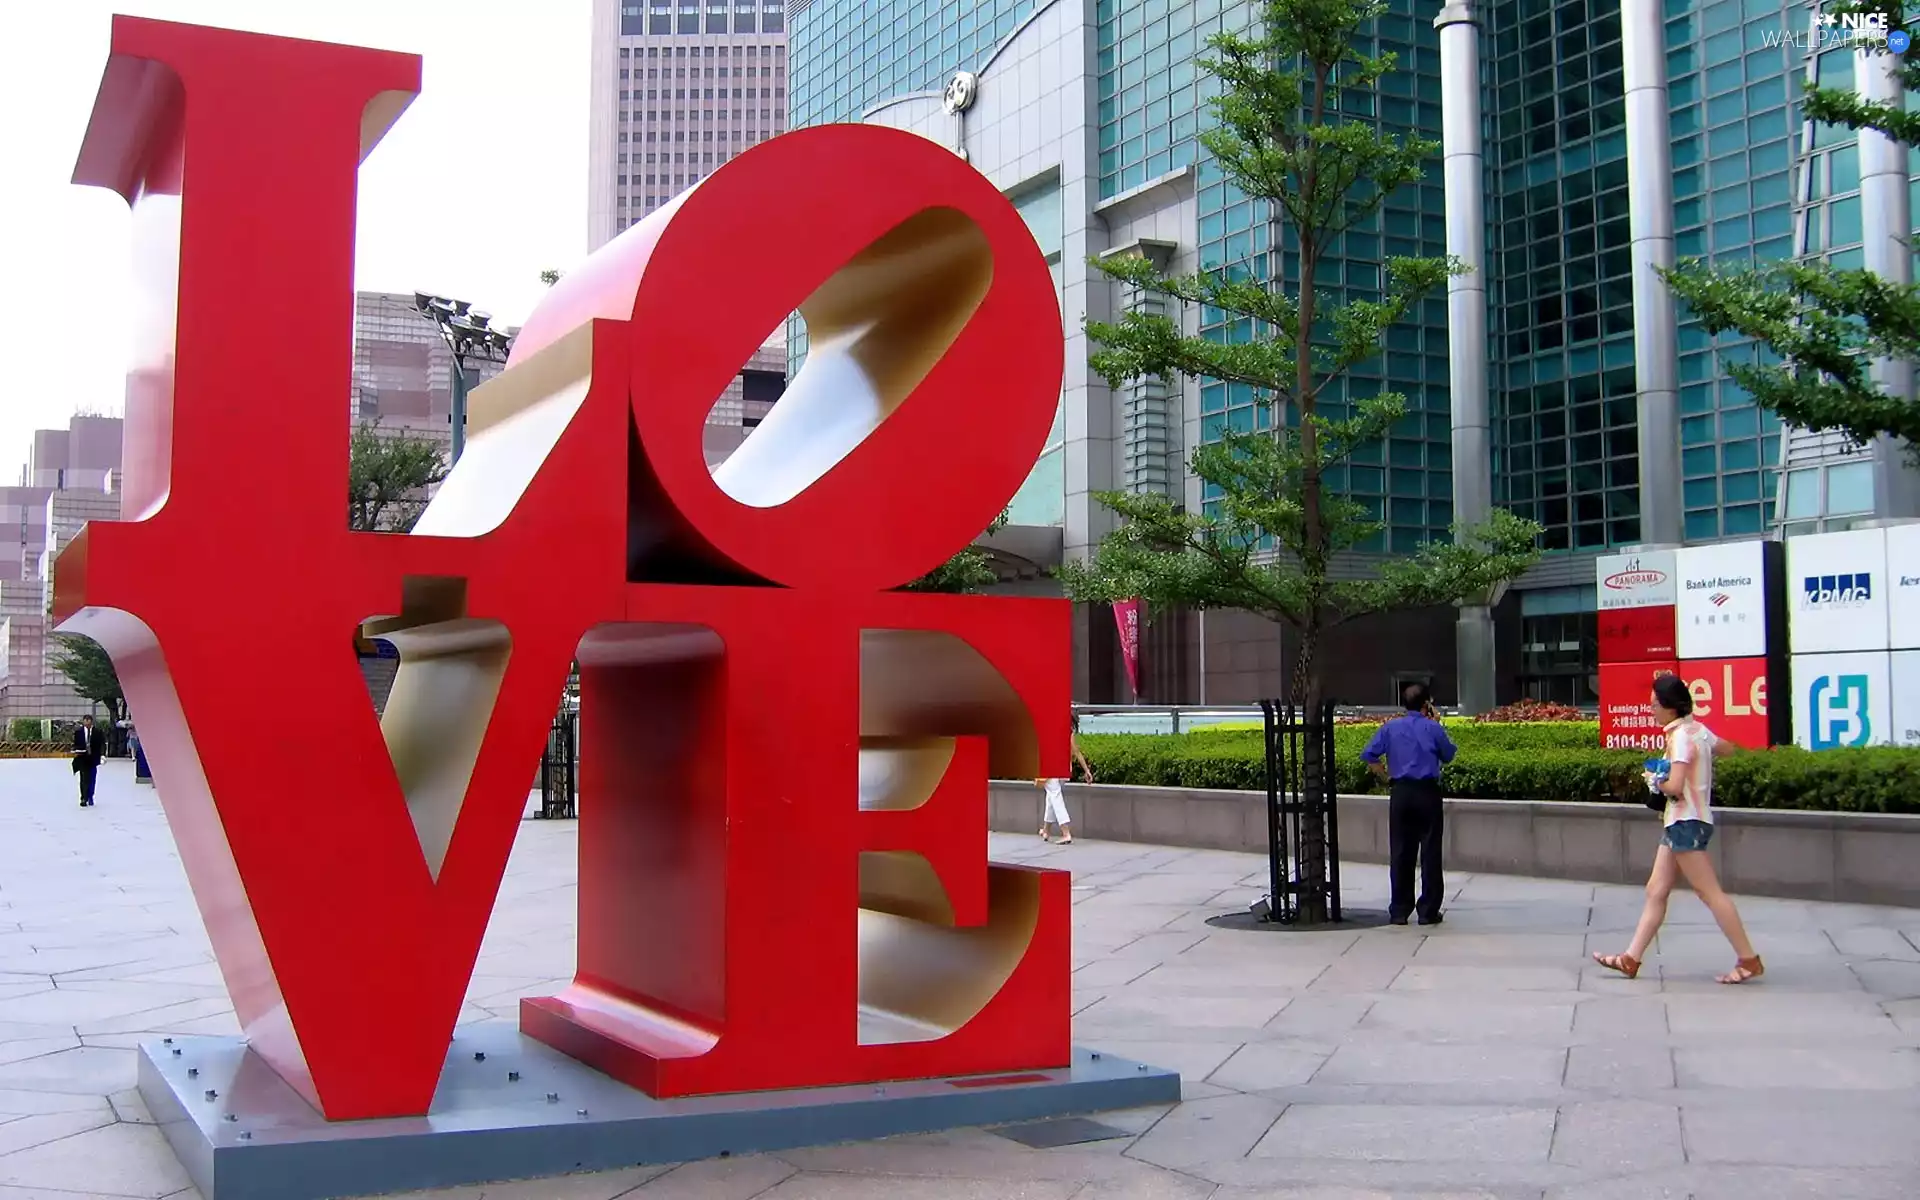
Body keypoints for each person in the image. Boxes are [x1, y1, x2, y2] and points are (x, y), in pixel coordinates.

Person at [1593, 673, 1763, 985]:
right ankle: (1631, 958)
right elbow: (1727, 749)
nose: (1651, 710)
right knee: (1656, 890)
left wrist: (1655, 778)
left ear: (1670, 707)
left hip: (1686, 822)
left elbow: (1675, 785)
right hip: (1683, 821)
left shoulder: (1682, 737)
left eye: (1655, 705)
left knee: (1709, 893)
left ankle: (1748, 959)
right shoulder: (1696, 730)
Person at [1361, 683, 1457, 926]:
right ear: (1426, 704)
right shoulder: (1432, 728)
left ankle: (1399, 910)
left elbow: (1369, 755)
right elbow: (1448, 755)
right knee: (1430, 852)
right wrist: (1436, 722)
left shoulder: (1391, 727)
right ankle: (1427, 911)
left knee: (1401, 852)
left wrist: (1386, 777)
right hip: (1427, 793)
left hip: (1401, 792)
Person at [1036, 715, 1094, 845]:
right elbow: (1076, 752)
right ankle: (1046, 830)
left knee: (1055, 797)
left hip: (1051, 768)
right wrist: (1087, 770)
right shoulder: (1067, 731)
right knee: (1051, 798)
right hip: (1064, 768)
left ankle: (1065, 832)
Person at [71, 715, 104, 807]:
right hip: (82, 758)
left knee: (92, 779)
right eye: (86, 721)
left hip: (93, 759)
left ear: (91, 722)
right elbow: (75, 744)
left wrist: (102, 755)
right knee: (83, 779)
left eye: (89, 721)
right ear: (83, 722)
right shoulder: (79, 732)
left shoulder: (97, 732)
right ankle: (83, 798)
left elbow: (102, 744)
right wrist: (76, 750)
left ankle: (90, 796)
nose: (87, 723)